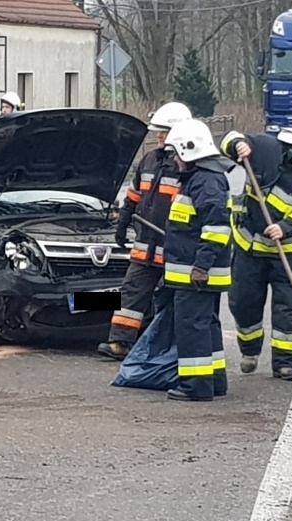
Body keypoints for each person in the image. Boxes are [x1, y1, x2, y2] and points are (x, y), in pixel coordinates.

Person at [219, 117, 292, 381]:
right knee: (244, 302)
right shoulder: (267, 148)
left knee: (290, 306)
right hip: (249, 245)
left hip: (290, 251)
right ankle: (249, 350)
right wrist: (237, 145)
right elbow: (227, 139)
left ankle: (285, 363)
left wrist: (285, 227)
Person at [97, 101, 193, 361]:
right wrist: (124, 219)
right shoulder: (149, 160)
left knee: (172, 300)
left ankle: (169, 347)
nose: (159, 136)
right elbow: (134, 194)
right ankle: (119, 342)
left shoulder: (187, 165)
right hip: (145, 246)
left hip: (173, 248)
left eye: (163, 131)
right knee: (131, 292)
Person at [161, 118, 234, 401]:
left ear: (187, 150)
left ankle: (196, 385)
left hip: (197, 273)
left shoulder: (206, 182)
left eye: (176, 153)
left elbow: (216, 229)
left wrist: (201, 266)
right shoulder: (202, 179)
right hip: (197, 272)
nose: (174, 160)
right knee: (207, 326)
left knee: (192, 327)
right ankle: (214, 381)